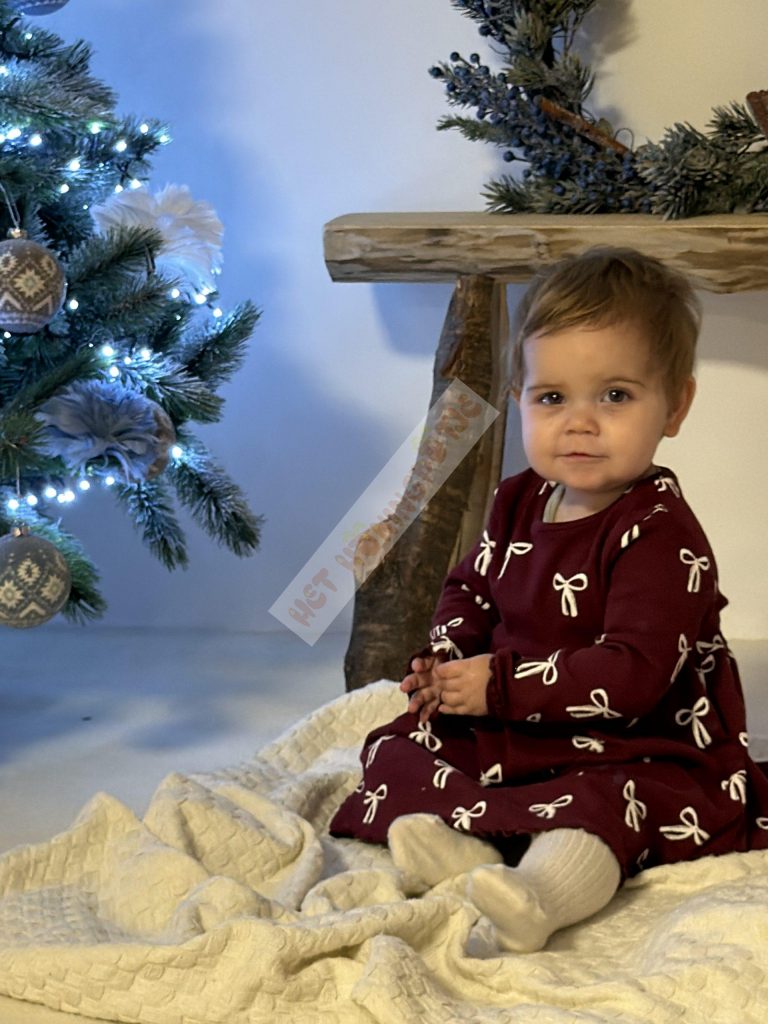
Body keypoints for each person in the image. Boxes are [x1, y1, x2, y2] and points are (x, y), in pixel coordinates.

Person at [329, 246, 768, 953]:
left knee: (603, 806)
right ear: (519, 400)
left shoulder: (658, 533)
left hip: (635, 741)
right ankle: (467, 854)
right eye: (553, 398)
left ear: (675, 405)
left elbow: (632, 674)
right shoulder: (518, 500)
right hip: (522, 725)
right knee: (398, 746)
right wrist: (448, 660)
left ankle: (540, 895)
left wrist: (500, 684)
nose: (580, 422)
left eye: (615, 395)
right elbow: (470, 587)